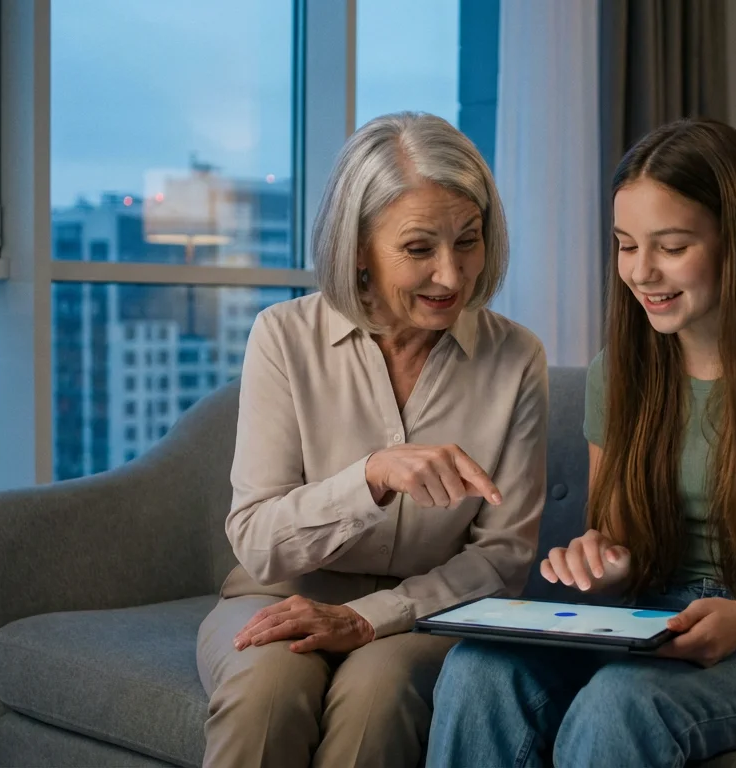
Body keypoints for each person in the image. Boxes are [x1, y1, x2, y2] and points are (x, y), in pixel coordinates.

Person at [428, 117, 736, 767]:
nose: (641, 272)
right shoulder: (618, 371)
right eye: (624, 245)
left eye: (670, 246)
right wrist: (606, 559)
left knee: (622, 701)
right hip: (650, 626)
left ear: (734, 242)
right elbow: (619, 539)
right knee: (479, 672)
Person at [198, 112, 548, 768]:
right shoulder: (283, 337)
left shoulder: (516, 358)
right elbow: (256, 538)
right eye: (419, 249)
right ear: (358, 246)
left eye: (467, 241)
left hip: (429, 611)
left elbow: (501, 560)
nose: (452, 276)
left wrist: (372, 616)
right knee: (266, 694)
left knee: (378, 696)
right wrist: (371, 477)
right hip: (278, 592)